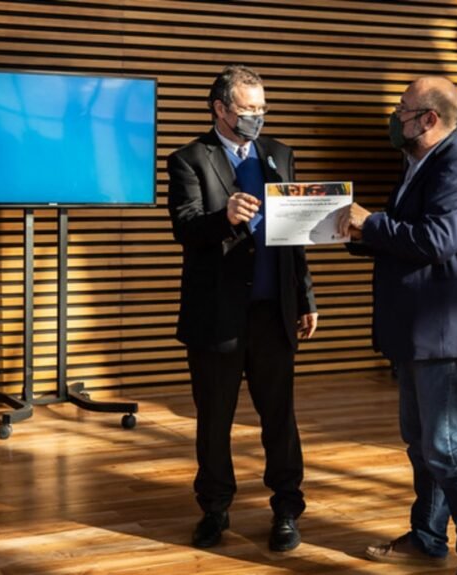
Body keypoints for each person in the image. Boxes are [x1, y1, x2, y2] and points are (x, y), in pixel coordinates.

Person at [339, 76, 457, 575]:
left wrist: (369, 223)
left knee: (451, 451)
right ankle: (429, 535)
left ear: (429, 119)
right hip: (419, 334)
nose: (396, 115)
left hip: (449, 338)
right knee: (423, 445)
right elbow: (405, 236)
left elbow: (436, 241)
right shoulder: (420, 162)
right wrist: (350, 231)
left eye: (403, 108)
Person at [167, 65, 318, 552]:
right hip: (217, 316)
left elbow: (295, 235)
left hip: (275, 310)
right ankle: (214, 508)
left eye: (261, 109)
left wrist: (306, 295)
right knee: (215, 418)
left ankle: (287, 510)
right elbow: (185, 228)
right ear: (220, 109)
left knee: (280, 416)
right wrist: (223, 217)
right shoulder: (189, 158)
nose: (256, 117)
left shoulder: (279, 154)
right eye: (247, 109)